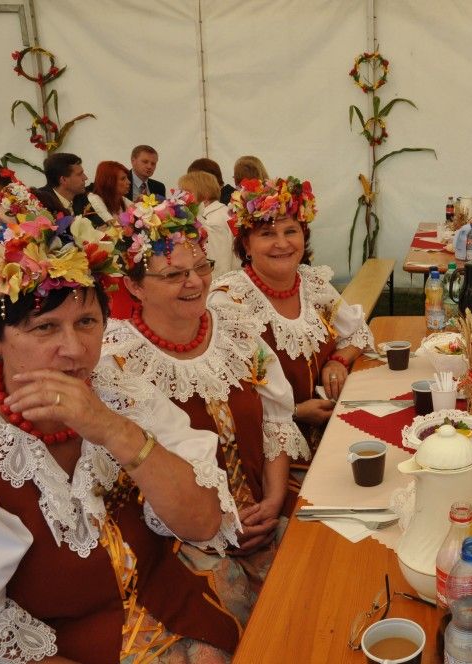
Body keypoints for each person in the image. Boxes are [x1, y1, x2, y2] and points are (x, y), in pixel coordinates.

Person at [0, 205, 244, 662]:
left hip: (180, 606)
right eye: (45, 327)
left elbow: (204, 522)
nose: (73, 350)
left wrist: (112, 429)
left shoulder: (125, 394)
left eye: (87, 322)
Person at [104, 191, 306, 622]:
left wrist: (272, 498)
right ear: (134, 285)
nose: (194, 282)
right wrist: (220, 525)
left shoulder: (234, 329)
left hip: (267, 503)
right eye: (174, 274)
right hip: (183, 540)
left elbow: (275, 420)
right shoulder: (117, 362)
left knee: (324, 570)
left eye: (201, 267)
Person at [209, 177, 372, 458]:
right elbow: (228, 398)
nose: (282, 243)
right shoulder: (229, 301)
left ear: (303, 236)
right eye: (267, 234)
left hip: (332, 429)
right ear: (246, 245)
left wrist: (338, 359)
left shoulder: (312, 283)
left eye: (290, 231)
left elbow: (357, 332)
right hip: (271, 453)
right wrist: (294, 413)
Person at [180, 170, 240, 279]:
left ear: (204, 193)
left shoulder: (212, 221)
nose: (181, 197)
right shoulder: (223, 212)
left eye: (186, 192)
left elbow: (219, 264)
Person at [32, 152, 90, 217]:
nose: (85, 178)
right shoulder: (41, 203)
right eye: (79, 174)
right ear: (63, 180)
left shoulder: (80, 196)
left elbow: (97, 223)